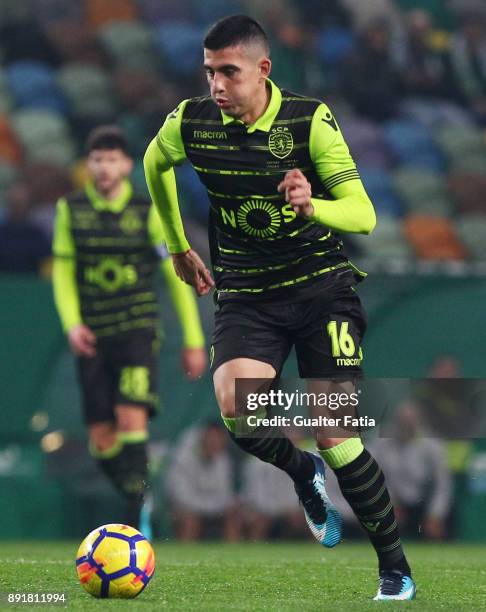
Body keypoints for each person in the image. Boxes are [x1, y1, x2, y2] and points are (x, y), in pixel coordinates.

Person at [144, 15, 415, 600]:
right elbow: (153, 164)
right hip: (247, 293)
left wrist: (312, 203)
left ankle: (394, 568)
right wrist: (177, 245)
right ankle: (302, 474)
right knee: (237, 410)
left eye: (229, 73)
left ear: (263, 70)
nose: (216, 85)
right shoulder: (191, 122)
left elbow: (364, 214)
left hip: (322, 290)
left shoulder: (309, 121)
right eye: (209, 71)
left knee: (335, 431)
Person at [52, 125, 207, 536]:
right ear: (89, 166)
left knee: (130, 415)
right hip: (94, 336)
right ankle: (137, 487)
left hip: (137, 330)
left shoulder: (146, 212)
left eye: (112, 159)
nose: (104, 167)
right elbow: (64, 271)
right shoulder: (71, 209)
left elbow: (175, 275)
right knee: (102, 438)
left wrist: (193, 338)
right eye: (97, 160)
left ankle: (132, 520)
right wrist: (72, 324)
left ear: (126, 165)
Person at [166, 422, 241, 541]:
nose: (214, 443)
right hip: (187, 509)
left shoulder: (223, 461)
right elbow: (181, 497)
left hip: (213, 510)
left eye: (218, 439)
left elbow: (225, 494)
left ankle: (234, 556)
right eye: (211, 438)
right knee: (190, 518)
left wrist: (216, 508)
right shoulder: (183, 457)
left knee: (233, 517)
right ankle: (185, 555)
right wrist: (209, 508)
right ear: (203, 438)